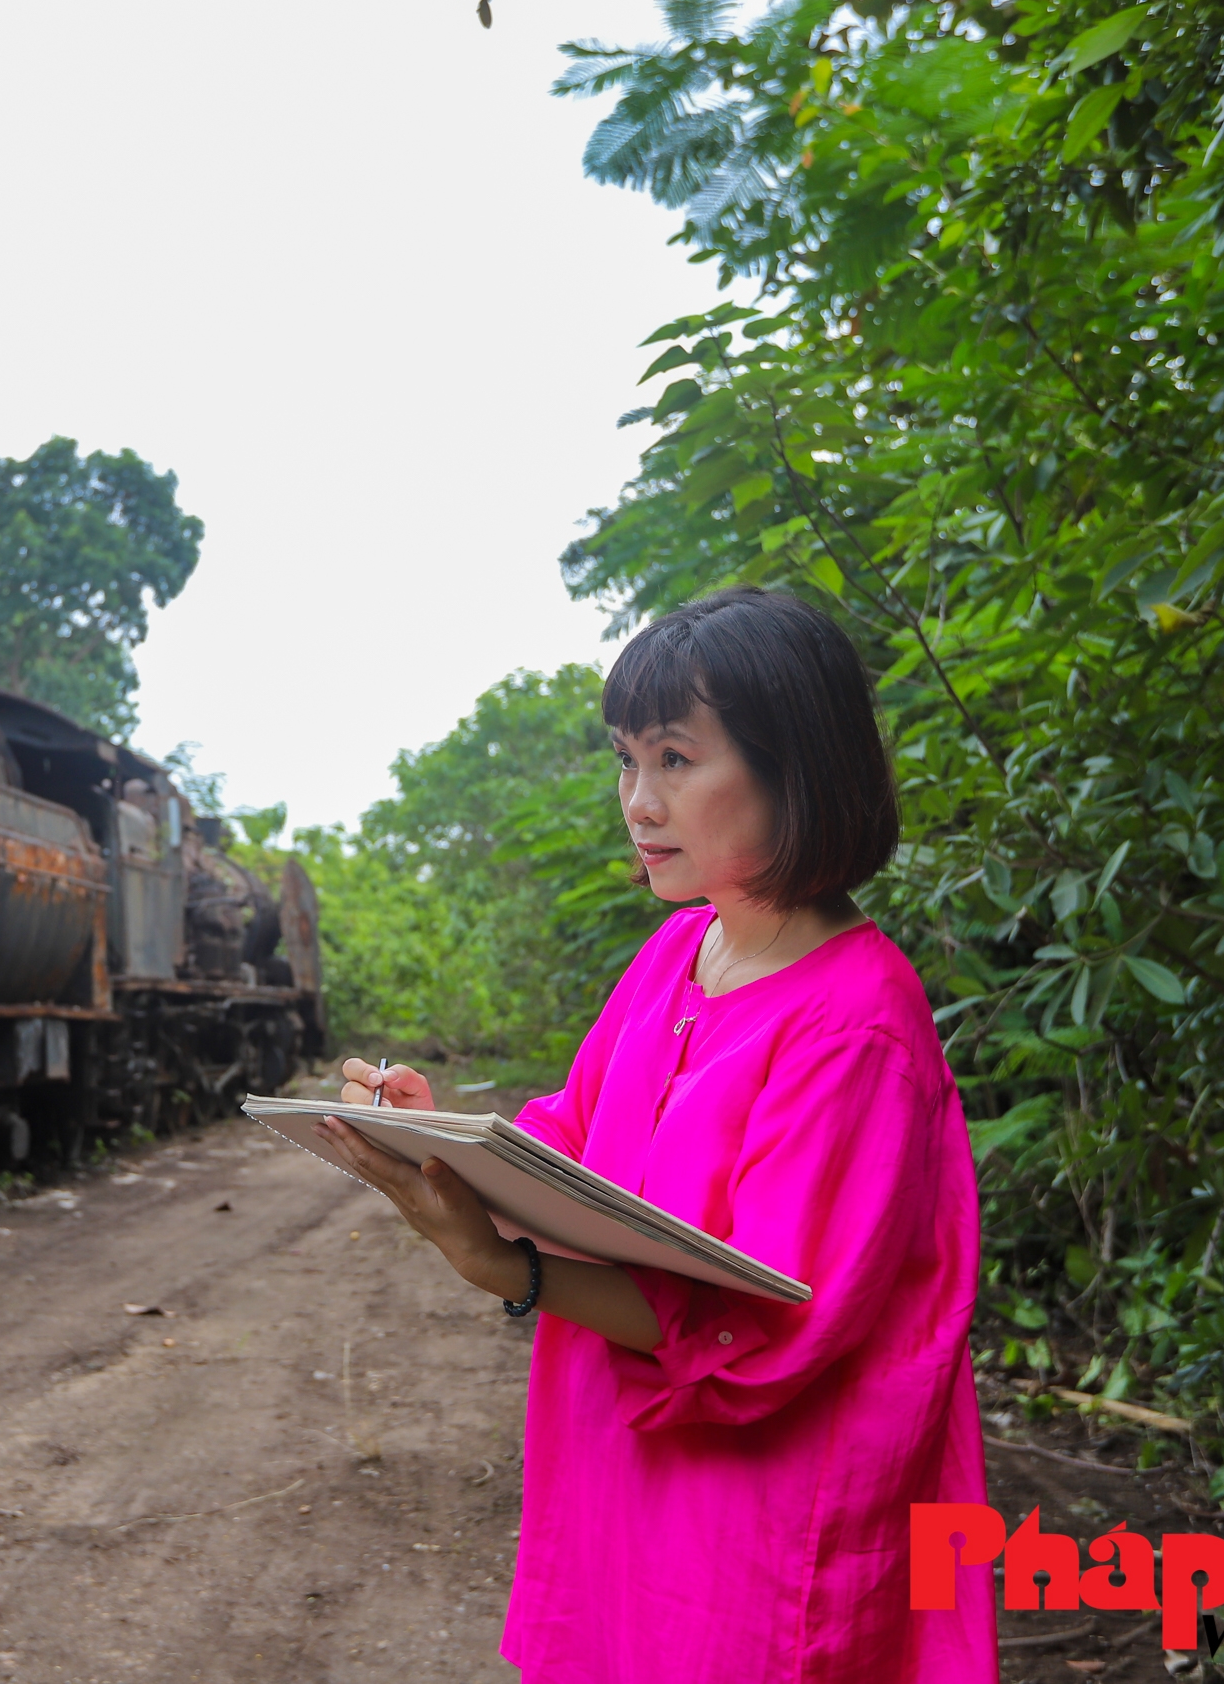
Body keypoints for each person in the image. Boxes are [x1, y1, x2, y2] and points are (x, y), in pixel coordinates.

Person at [319, 588, 993, 1682]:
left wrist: (504, 1266)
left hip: (758, 1515)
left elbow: (760, 1331)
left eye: (675, 759)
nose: (638, 801)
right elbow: (574, 1144)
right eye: (626, 760)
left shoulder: (855, 1025)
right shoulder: (677, 954)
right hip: (616, 1469)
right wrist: (436, 1132)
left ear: (795, 769)